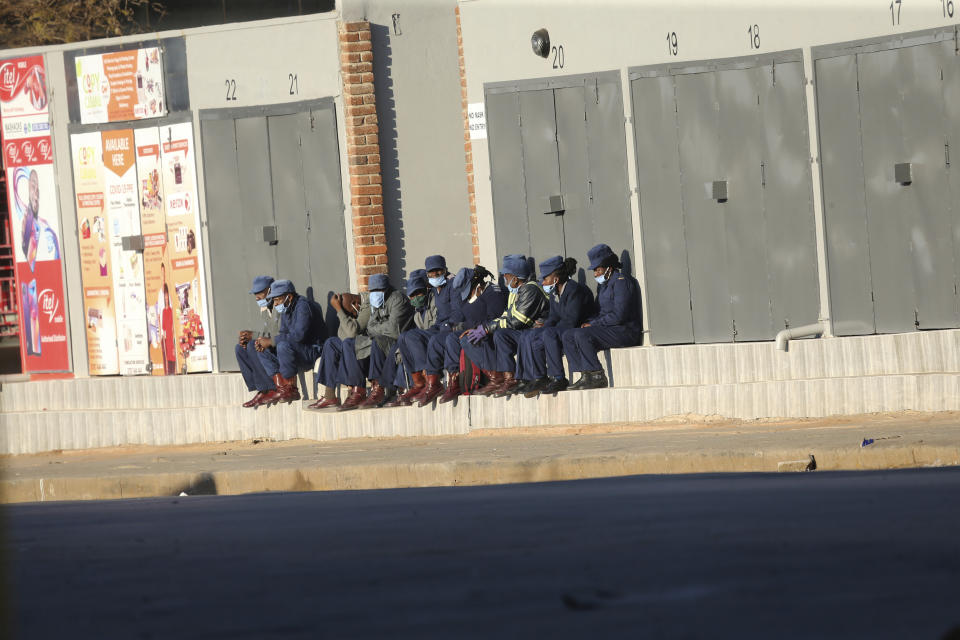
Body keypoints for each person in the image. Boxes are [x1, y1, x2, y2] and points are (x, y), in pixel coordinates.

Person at [461, 254, 548, 397]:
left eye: (507, 277)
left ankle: (513, 378)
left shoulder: (530, 289)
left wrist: (487, 328)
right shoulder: (516, 291)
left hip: (533, 333)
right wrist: (483, 328)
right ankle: (507, 379)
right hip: (524, 332)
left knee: (501, 334)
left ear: (516, 277)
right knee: (495, 335)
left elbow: (518, 321)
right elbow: (506, 315)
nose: (505, 280)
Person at [562, 244, 643, 390]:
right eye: (594, 270)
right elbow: (598, 312)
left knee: (583, 335)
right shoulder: (604, 285)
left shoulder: (621, 282)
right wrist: (589, 322)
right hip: (608, 329)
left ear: (609, 268)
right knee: (569, 334)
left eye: (598, 270)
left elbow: (619, 315)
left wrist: (594, 325)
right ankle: (585, 374)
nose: (595, 274)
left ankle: (597, 375)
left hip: (624, 330)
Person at [519, 256, 595, 397]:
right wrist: (543, 328)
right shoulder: (555, 292)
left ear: (556, 279)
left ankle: (558, 377)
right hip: (562, 328)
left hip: (576, 328)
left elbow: (571, 320)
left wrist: (547, 330)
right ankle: (539, 377)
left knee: (548, 334)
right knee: (531, 335)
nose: (543, 282)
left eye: (545, 279)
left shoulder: (574, 290)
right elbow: (553, 316)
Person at [338, 273, 414, 411]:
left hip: (396, 342)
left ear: (386, 289)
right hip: (379, 339)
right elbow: (370, 327)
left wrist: (378, 329)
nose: (375, 294)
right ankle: (357, 391)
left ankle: (378, 388)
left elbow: (394, 331)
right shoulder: (375, 302)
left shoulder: (397, 299)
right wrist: (380, 328)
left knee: (377, 340)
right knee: (349, 343)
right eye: (372, 291)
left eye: (378, 291)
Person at [393, 256, 458, 407]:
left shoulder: (452, 285)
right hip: (439, 327)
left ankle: (432, 382)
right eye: (431, 273)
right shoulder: (437, 289)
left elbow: (457, 312)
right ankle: (419, 383)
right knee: (404, 337)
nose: (435, 276)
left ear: (445, 270)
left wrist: (447, 326)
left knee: (417, 337)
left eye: (438, 272)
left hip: (451, 328)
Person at [256, 279, 328, 404]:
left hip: (312, 350)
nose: (275, 303)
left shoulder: (303, 306)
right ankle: (281, 387)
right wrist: (267, 344)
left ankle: (291, 388)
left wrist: (272, 341)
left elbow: (298, 336)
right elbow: (284, 333)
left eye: (278, 300)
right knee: (261, 348)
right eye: (274, 300)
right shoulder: (286, 308)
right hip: (296, 349)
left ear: (289, 297)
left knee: (282, 345)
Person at [308, 291, 363, 410]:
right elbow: (342, 335)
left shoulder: (366, 309)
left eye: (345, 311)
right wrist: (344, 315)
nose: (344, 314)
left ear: (355, 303)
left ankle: (353, 393)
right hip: (350, 345)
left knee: (348, 344)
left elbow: (352, 333)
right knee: (331, 343)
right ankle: (330, 396)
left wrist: (339, 310)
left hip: (365, 346)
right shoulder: (351, 315)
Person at [236, 275, 280, 408]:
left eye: (259, 293)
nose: (257, 298)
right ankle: (260, 389)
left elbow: (278, 334)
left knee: (252, 344)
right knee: (240, 348)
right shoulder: (265, 309)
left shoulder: (280, 306)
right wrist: (249, 336)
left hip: (282, 347)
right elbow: (266, 332)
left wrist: (254, 336)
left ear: (269, 291)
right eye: (255, 294)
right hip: (272, 346)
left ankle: (269, 388)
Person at [160, 283, 176, 375]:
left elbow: (173, 323)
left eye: (167, 299)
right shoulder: (164, 311)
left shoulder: (171, 310)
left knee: (172, 354)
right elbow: (164, 327)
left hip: (171, 335)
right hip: (167, 337)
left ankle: (173, 371)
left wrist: (173, 334)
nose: (166, 300)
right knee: (168, 355)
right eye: (165, 299)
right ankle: (169, 372)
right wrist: (164, 336)